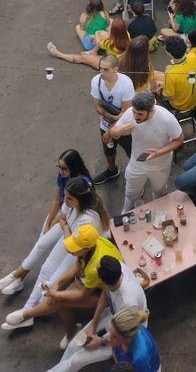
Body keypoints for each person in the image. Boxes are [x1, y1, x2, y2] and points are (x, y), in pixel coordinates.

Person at [2, 211, 117, 335]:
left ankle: (27, 315)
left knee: (59, 302)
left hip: (107, 295)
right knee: (58, 300)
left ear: (86, 248)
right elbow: (78, 264)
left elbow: (83, 294)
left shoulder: (94, 267)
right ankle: (31, 317)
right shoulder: (95, 242)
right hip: (94, 281)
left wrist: (58, 295)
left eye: (75, 248)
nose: (71, 250)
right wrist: (58, 282)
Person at [0, 153, 92, 297]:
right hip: (62, 217)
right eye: (59, 166)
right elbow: (57, 200)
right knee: (41, 244)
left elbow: (77, 210)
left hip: (72, 223)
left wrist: (59, 223)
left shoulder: (84, 184)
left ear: (72, 167)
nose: (60, 171)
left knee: (51, 263)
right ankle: (18, 276)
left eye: (64, 168)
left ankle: (19, 278)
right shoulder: (62, 177)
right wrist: (49, 222)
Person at [46, 257, 148, 372]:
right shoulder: (115, 269)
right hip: (115, 314)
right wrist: (93, 325)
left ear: (102, 281)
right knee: (73, 345)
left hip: (128, 331)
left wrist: (100, 341)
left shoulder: (128, 302)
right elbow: (105, 294)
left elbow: (121, 334)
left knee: (76, 360)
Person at [109, 91, 183, 211]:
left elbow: (179, 139)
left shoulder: (167, 118)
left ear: (151, 110)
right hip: (137, 163)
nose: (135, 116)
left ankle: (159, 214)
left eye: (140, 114)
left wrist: (158, 152)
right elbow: (112, 132)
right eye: (134, 112)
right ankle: (125, 213)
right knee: (130, 193)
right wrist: (117, 132)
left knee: (160, 192)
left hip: (160, 165)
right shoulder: (130, 113)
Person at [90, 56, 135, 186]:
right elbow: (97, 106)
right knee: (108, 150)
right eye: (100, 69)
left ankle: (136, 175)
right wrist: (111, 116)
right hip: (105, 124)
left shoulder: (126, 83)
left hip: (125, 127)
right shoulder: (95, 81)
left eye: (105, 69)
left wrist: (110, 130)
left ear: (115, 69)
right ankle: (112, 170)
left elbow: (126, 112)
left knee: (132, 151)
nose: (101, 72)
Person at [107, 307, 160, 372]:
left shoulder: (141, 358)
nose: (109, 338)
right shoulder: (129, 328)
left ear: (127, 337)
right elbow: (115, 351)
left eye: (114, 336)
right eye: (110, 333)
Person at [161, 34, 196, 113]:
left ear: (169, 53)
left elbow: (170, 97)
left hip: (180, 105)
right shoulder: (193, 56)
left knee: (160, 91)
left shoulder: (170, 73)